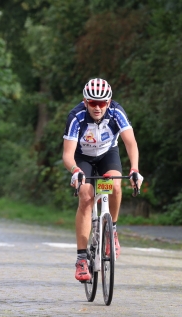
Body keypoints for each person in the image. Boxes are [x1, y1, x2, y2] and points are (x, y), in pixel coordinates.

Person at [62, 78, 143, 281]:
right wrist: (75, 170)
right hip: (83, 157)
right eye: (92, 103)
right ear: (85, 101)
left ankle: (112, 230)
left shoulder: (117, 112)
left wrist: (134, 169)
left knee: (115, 186)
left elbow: (131, 143)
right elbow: (67, 154)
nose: (97, 108)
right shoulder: (76, 116)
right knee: (86, 196)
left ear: (109, 102)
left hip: (108, 154)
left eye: (102, 103)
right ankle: (81, 259)